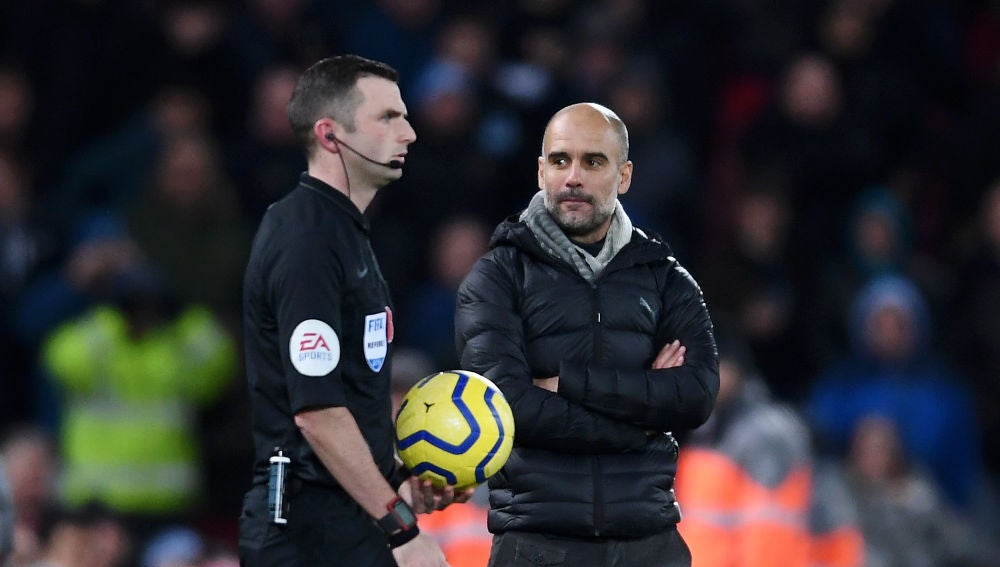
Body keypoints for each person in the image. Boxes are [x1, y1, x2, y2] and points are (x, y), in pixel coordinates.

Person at [455, 102, 719, 566]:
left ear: (624, 176)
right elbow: (506, 407)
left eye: (593, 161)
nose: (573, 177)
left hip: (650, 543)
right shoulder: (497, 277)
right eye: (561, 161)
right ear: (541, 172)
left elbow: (695, 396)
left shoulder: (666, 278)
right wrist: (642, 419)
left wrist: (567, 384)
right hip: (536, 544)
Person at [238, 54, 468, 567]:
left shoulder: (345, 233)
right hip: (305, 533)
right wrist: (403, 529)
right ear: (330, 135)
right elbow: (317, 414)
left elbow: (347, 399)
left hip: (342, 524)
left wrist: (395, 483)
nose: (409, 132)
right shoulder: (306, 239)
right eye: (388, 117)